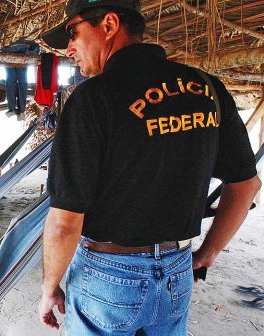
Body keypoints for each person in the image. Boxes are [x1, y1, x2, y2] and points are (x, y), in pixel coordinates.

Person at [38, 0, 261, 335]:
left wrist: (49, 288)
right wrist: (207, 254)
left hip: (107, 275)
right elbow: (246, 185)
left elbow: (65, 223)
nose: (69, 47)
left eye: (74, 33)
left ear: (109, 24)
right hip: (177, 270)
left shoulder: (92, 99)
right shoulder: (207, 89)